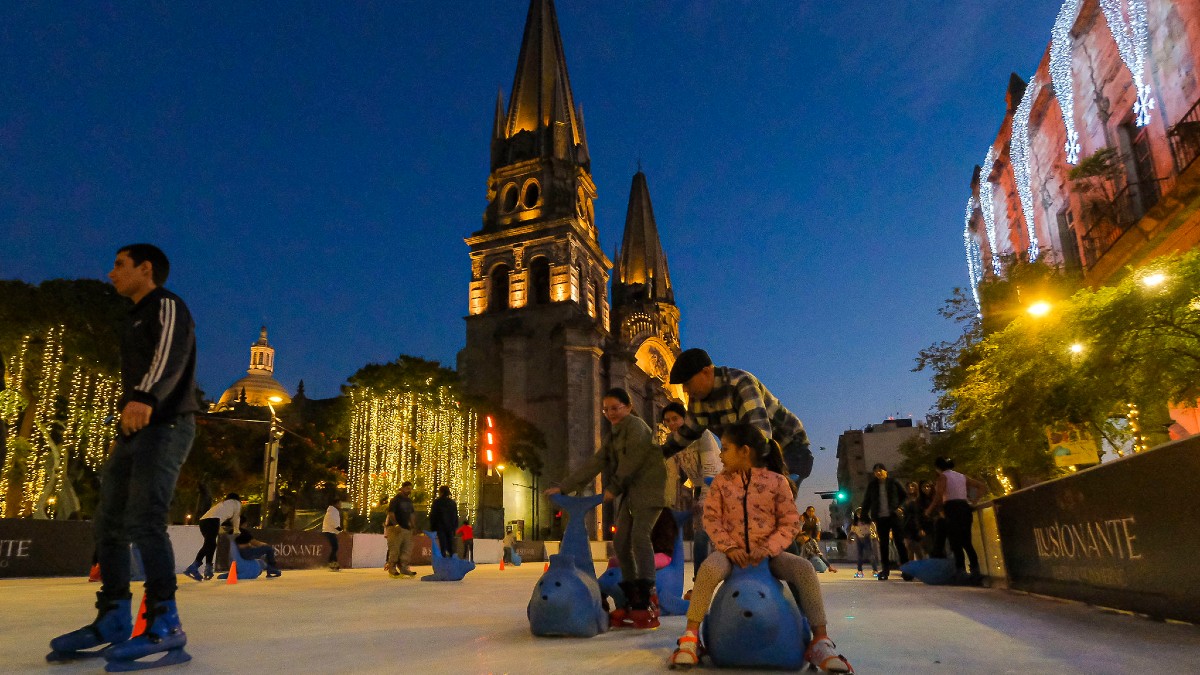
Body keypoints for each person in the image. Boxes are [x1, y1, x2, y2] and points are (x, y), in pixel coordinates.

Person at [49, 244, 197, 668]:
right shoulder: (131, 317)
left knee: (145, 519)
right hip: (135, 429)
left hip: (165, 424)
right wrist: (127, 420)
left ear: (145, 269)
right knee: (109, 521)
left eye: (119, 265)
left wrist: (145, 398)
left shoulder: (166, 306)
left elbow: (171, 354)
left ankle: (166, 622)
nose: (111, 273)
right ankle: (113, 615)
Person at [668, 423, 852, 672]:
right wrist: (729, 547)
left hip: (769, 556)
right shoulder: (721, 484)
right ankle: (691, 637)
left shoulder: (776, 482)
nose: (721, 454)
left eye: (726, 448)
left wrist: (768, 548)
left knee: (804, 569)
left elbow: (789, 522)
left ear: (745, 451)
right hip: (730, 555)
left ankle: (820, 638)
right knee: (708, 570)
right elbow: (711, 519)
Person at [546, 387, 667, 629]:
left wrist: (613, 487)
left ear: (629, 407)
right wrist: (565, 487)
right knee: (621, 541)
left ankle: (648, 592)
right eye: (606, 409)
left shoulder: (637, 428)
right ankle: (634, 596)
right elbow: (596, 462)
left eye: (615, 408)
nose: (610, 413)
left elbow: (632, 461)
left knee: (639, 537)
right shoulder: (613, 436)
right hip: (630, 494)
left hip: (649, 491)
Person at [662, 348, 814, 486]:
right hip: (749, 452)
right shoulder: (698, 402)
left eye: (688, 383)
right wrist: (659, 454)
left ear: (706, 372)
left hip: (788, 448)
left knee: (770, 499)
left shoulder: (740, 383)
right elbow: (685, 435)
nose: (685, 390)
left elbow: (759, 434)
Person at [660, 402, 722, 588]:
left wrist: (703, 499)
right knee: (700, 534)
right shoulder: (674, 440)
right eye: (667, 420)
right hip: (697, 486)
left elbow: (710, 468)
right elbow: (671, 469)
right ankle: (699, 581)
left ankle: (727, 576)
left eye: (675, 419)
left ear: (685, 418)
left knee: (715, 534)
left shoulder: (702, 434)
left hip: (718, 485)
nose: (671, 423)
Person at [927, 457, 987, 584]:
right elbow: (981, 486)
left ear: (938, 468)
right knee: (967, 541)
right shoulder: (961, 476)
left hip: (952, 509)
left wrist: (929, 509)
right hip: (965, 508)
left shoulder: (942, 477)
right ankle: (975, 570)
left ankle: (961, 571)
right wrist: (974, 501)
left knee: (955, 541)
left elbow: (939, 495)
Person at [859, 463, 908, 580]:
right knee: (883, 545)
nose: (878, 472)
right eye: (875, 471)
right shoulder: (872, 485)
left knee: (900, 543)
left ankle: (907, 570)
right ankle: (885, 571)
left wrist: (901, 507)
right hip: (880, 518)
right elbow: (867, 501)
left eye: (880, 470)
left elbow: (905, 496)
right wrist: (864, 515)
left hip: (894, 516)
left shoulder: (894, 482)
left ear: (886, 471)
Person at [185, 493, 241, 581]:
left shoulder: (222, 504)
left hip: (203, 521)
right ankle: (195, 567)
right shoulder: (237, 503)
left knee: (210, 544)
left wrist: (219, 528)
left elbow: (218, 514)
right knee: (209, 545)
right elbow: (236, 518)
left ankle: (206, 568)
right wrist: (236, 531)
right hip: (214, 521)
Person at [386, 482, 416, 577]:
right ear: (402, 488)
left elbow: (411, 514)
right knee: (395, 549)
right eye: (407, 488)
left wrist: (413, 526)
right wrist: (396, 525)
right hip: (396, 528)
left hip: (407, 528)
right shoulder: (395, 500)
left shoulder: (409, 501)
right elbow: (391, 513)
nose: (409, 490)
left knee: (406, 550)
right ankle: (392, 567)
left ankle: (404, 568)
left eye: (410, 488)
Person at [798, 505, 837, 573]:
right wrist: (803, 536)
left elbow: (818, 529)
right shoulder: (802, 517)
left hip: (811, 538)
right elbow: (799, 529)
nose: (811, 512)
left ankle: (829, 566)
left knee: (818, 552)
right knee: (804, 553)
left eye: (812, 511)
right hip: (803, 538)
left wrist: (818, 536)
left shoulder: (816, 519)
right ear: (806, 511)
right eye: (809, 511)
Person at [847, 509, 879, 578]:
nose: (859, 515)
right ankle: (860, 571)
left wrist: (874, 535)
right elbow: (852, 531)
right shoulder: (855, 523)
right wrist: (849, 538)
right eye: (858, 513)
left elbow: (874, 528)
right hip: (859, 539)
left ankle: (875, 570)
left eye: (860, 513)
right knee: (860, 555)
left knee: (870, 554)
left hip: (867, 538)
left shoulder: (868, 521)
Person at [429, 486, 458, 558]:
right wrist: (454, 527)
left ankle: (444, 557)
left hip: (440, 527)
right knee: (450, 544)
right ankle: (451, 558)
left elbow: (433, 515)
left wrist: (433, 527)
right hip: (450, 527)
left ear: (441, 492)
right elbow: (455, 516)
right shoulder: (452, 503)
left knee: (443, 544)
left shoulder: (437, 502)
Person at [901, 482, 927, 561]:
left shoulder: (919, 499)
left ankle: (921, 568)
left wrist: (922, 527)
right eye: (908, 486)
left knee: (919, 549)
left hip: (918, 525)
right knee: (909, 548)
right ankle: (911, 570)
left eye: (912, 486)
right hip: (907, 525)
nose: (910, 488)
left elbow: (922, 514)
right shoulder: (904, 499)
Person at [322, 496, 343, 571]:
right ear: (336, 504)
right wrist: (340, 529)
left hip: (330, 530)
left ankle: (334, 562)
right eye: (340, 503)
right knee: (335, 547)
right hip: (329, 531)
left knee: (335, 547)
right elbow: (334, 522)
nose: (341, 505)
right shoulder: (333, 511)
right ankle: (331, 562)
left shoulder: (332, 511)